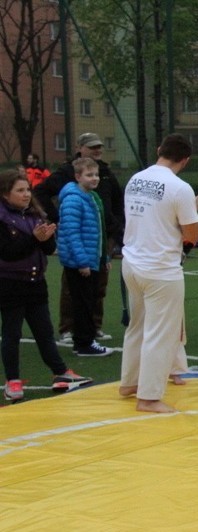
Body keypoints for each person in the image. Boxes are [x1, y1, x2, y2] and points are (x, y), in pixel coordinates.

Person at [119, 134, 198, 413]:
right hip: (160, 268)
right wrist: (188, 231)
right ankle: (148, 397)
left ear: (159, 150)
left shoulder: (135, 179)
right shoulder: (179, 187)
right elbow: (193, 231)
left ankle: (129, 383)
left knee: (137, 325)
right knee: (161, 333)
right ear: (185, 160)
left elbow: (151, 217)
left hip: (132, 262)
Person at [0, 170, 92, 401]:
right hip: (10, 283)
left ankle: (60, 372)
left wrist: (46, 238)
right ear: (4, 194)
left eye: (28, 190)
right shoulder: (2, 218)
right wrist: (34, 238)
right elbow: (8, 253)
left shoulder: (34, 213)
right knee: (12, 333)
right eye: (19, 191)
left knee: (44, 330)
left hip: (35, 282)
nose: (26, 195)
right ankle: (12, 380)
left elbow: (48, 248)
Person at [34, 132, 124, 344]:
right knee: (74, 285)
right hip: (82, 236)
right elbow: (40, 192)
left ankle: (93, 326)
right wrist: (57, 218)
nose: (97, 150)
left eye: (99, 147)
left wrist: (116, 224)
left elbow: (117, 200)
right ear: (81, 148)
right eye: (92, 147)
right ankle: (69, 328)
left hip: (102, 235)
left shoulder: (106, 173)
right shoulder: (67, 173)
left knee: (98, 283)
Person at [56, 157, 114, 357]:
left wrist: (103, 258)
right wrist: (82, 261)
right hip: (80, 262)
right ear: (78, 176)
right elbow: (72, 233)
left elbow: (97, 231)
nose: (94, 179)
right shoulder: (74, 199)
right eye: (89, 175)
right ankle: (83, 343)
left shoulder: (90, 197)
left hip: (91, 258)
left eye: (96, 174)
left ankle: (85, 340)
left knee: (88, 300)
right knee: (82, 302)